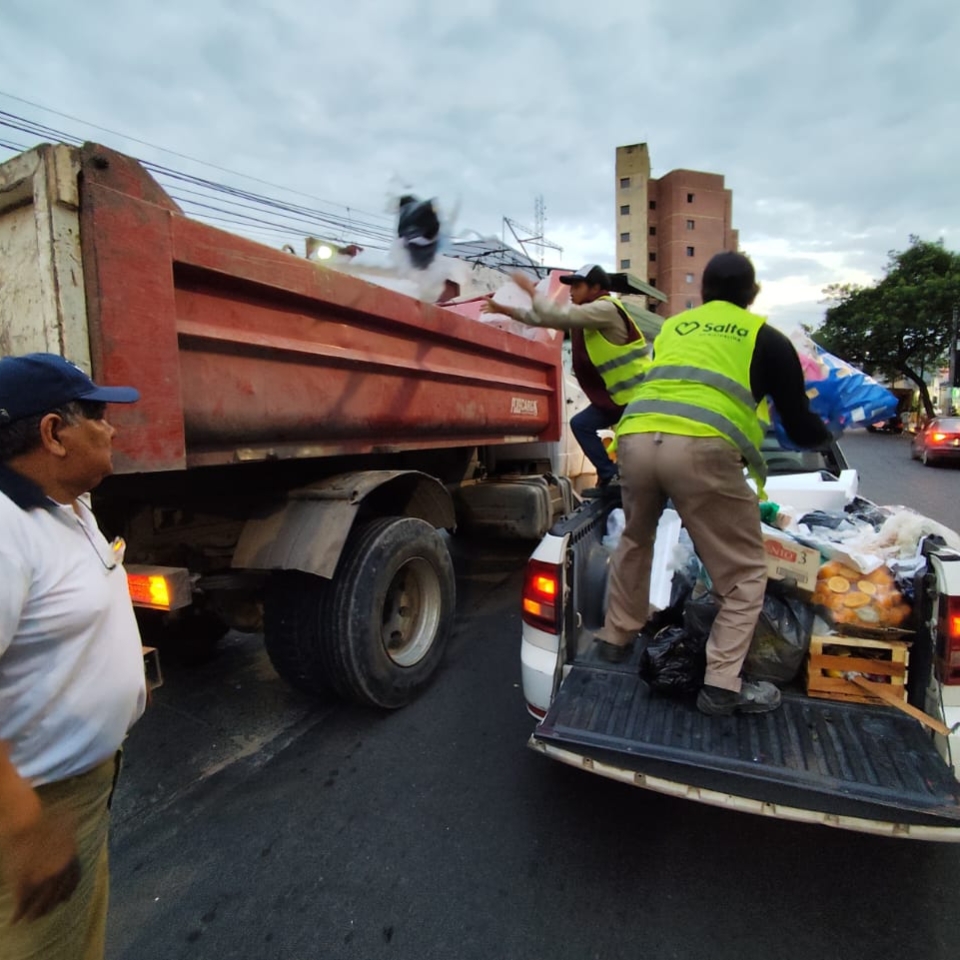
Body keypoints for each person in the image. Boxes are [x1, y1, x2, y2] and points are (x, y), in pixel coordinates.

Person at [594, 252, 831, 717]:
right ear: (753, 294)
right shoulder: (767, 338)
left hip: (637, 438)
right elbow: (800, 426)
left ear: (702, 292)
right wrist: (828, 430)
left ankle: (615, 638)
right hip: (701, 449)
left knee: (636, 540)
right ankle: (722, 684)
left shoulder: (676, 330)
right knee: (743, 575)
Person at [0, 353, 145, 960]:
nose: (112, 430)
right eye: (99, 417)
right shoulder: (6, 529)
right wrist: (27, 827)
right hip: (36, 807)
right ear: (53, 434)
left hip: (78, 791)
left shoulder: (65, 504)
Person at [482, 264, 651, 494]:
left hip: (638, 397)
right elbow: (545, 319)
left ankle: (636, 486)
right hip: (616, 398)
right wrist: (504, 309)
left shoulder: (605, 309)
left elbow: (559, 315)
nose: (571, 291)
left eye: (577, 286)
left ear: (596, 288)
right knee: (581, 424)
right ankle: (609, 475)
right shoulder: (587, 315)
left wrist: (532, 293)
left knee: (635, 452)